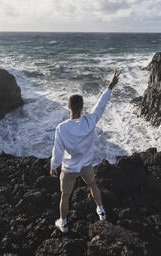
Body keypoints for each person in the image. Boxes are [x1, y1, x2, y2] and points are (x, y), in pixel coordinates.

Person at [50, 69, 122, 233]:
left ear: (68, 106)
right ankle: (101, 211)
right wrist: (110, 87)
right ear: (82, 108)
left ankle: (64, 223)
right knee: (93, 185)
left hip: (69, 168)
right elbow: (100, 106)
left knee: (65, 196)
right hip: (86, 164)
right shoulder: (90, 121)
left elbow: (58, 151)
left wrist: (54, 166)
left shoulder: (61, 128)